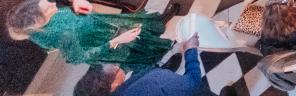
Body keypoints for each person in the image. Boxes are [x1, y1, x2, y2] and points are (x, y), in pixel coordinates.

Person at [5, 0, 169, 71]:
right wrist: (116, 41)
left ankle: (159, 24)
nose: (53, 4)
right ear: (38, 22)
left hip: (100, 24)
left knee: (139, 26)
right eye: (48, 7)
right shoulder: (58, 35)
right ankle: (167, 59)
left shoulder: (48, 15)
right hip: (103, 41)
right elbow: (78, 57)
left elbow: (60, 0)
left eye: (47, 3)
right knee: (143, 49)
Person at [76, 32, 210, 96]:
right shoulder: (156, 82)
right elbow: (193, 84)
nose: (119, 66)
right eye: (116, 68)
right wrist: (190, 51)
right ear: (113, 86)